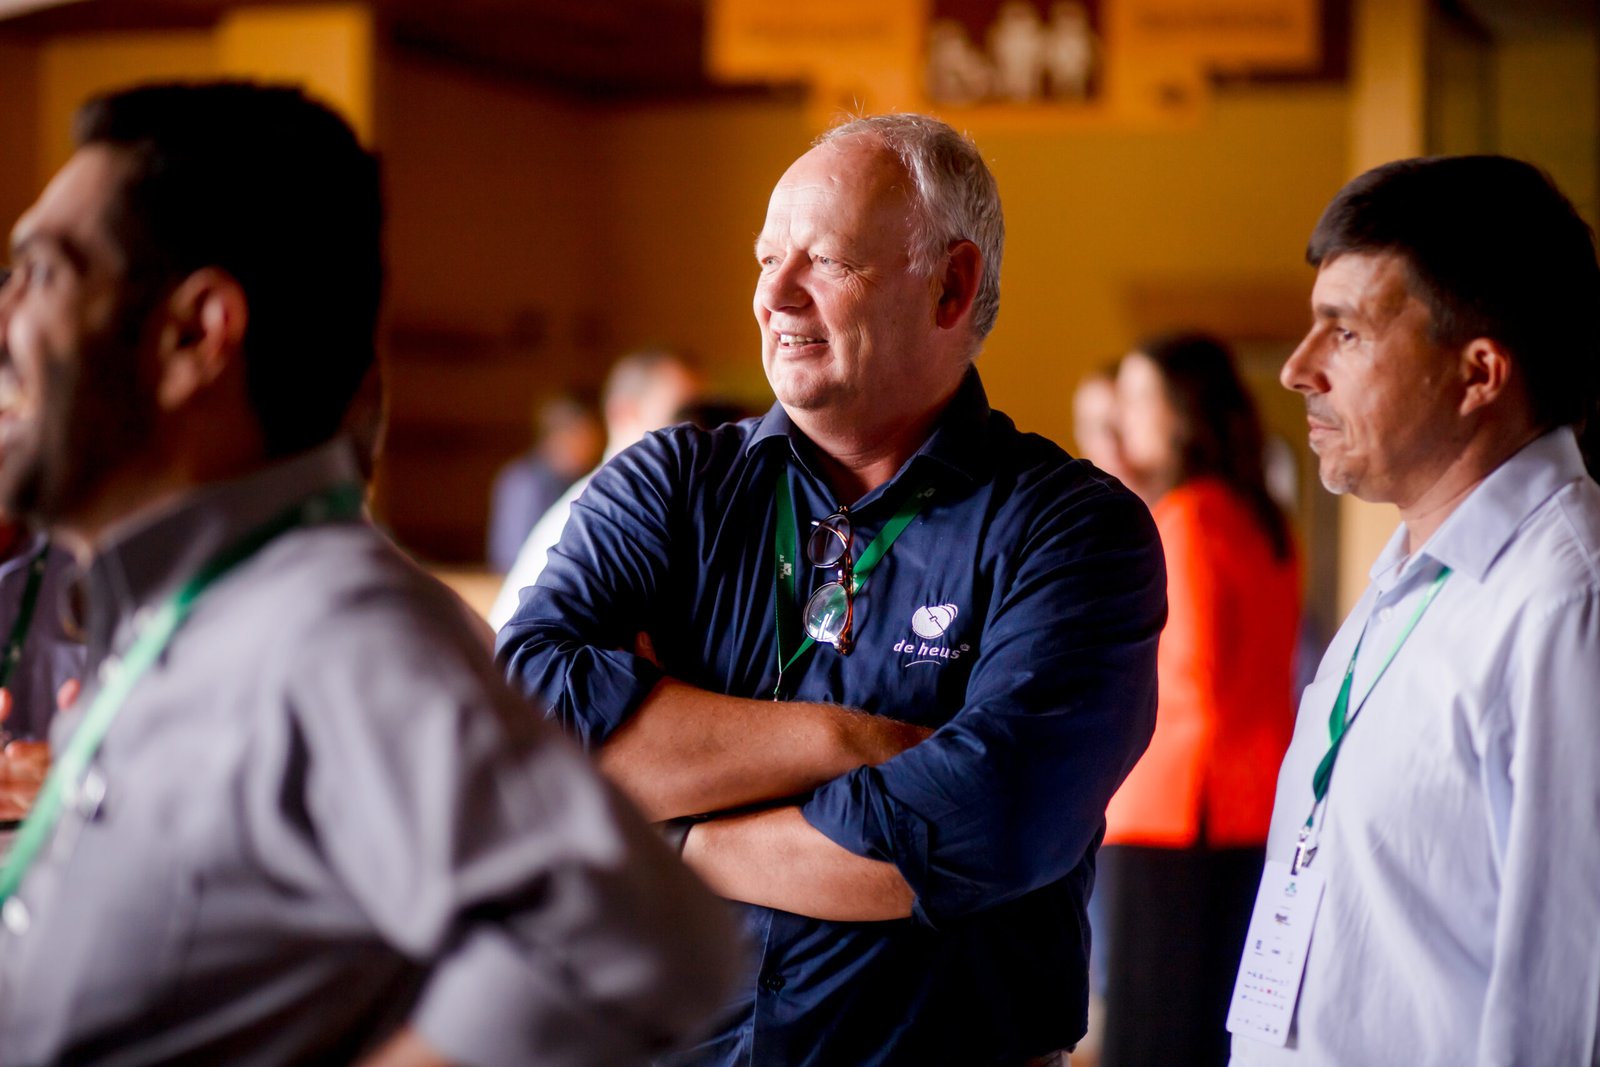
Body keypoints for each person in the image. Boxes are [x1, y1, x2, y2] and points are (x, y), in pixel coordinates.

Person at [0, 81, 741, 1066]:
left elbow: (633, 936)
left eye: (42, 273)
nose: (4, 316)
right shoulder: (187, 609)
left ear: (195, 334)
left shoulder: (325, 627)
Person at [498, 113, 1166, 1066]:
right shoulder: (669, 485)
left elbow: (984, 820)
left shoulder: (1072, 528)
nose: (774, 294)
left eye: (825, 261)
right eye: (768, 258)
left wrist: (673, 832)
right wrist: (845, 742)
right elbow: (522, 725)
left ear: (950, 286)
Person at [1229, 156, 1600, 1065]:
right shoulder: (1408, 575)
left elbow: (1568, 997)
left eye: (1346, 332)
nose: (1297, 369)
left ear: (1478, 374)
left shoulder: (1566, 602)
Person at [1095, 332, 1300, 1067]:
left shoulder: (1187, 516)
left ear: (1182, 411)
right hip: (1254, 802)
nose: (1123, 416)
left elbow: (1190, 681)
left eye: (1138, 398)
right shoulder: (1265, 519)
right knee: (1216, 1026)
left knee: (1152, 1032)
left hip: (1176, 809)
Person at [487, 348, 698, 629]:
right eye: (683, 415)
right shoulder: (606, 508)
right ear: (624, 413)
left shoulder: (650, 501)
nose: (702, 432)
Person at [485, 391, 603, 573]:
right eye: (585, 435)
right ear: (559, 435)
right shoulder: (524, 483)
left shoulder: (580, 480)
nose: (594, 445)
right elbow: (511, 557)